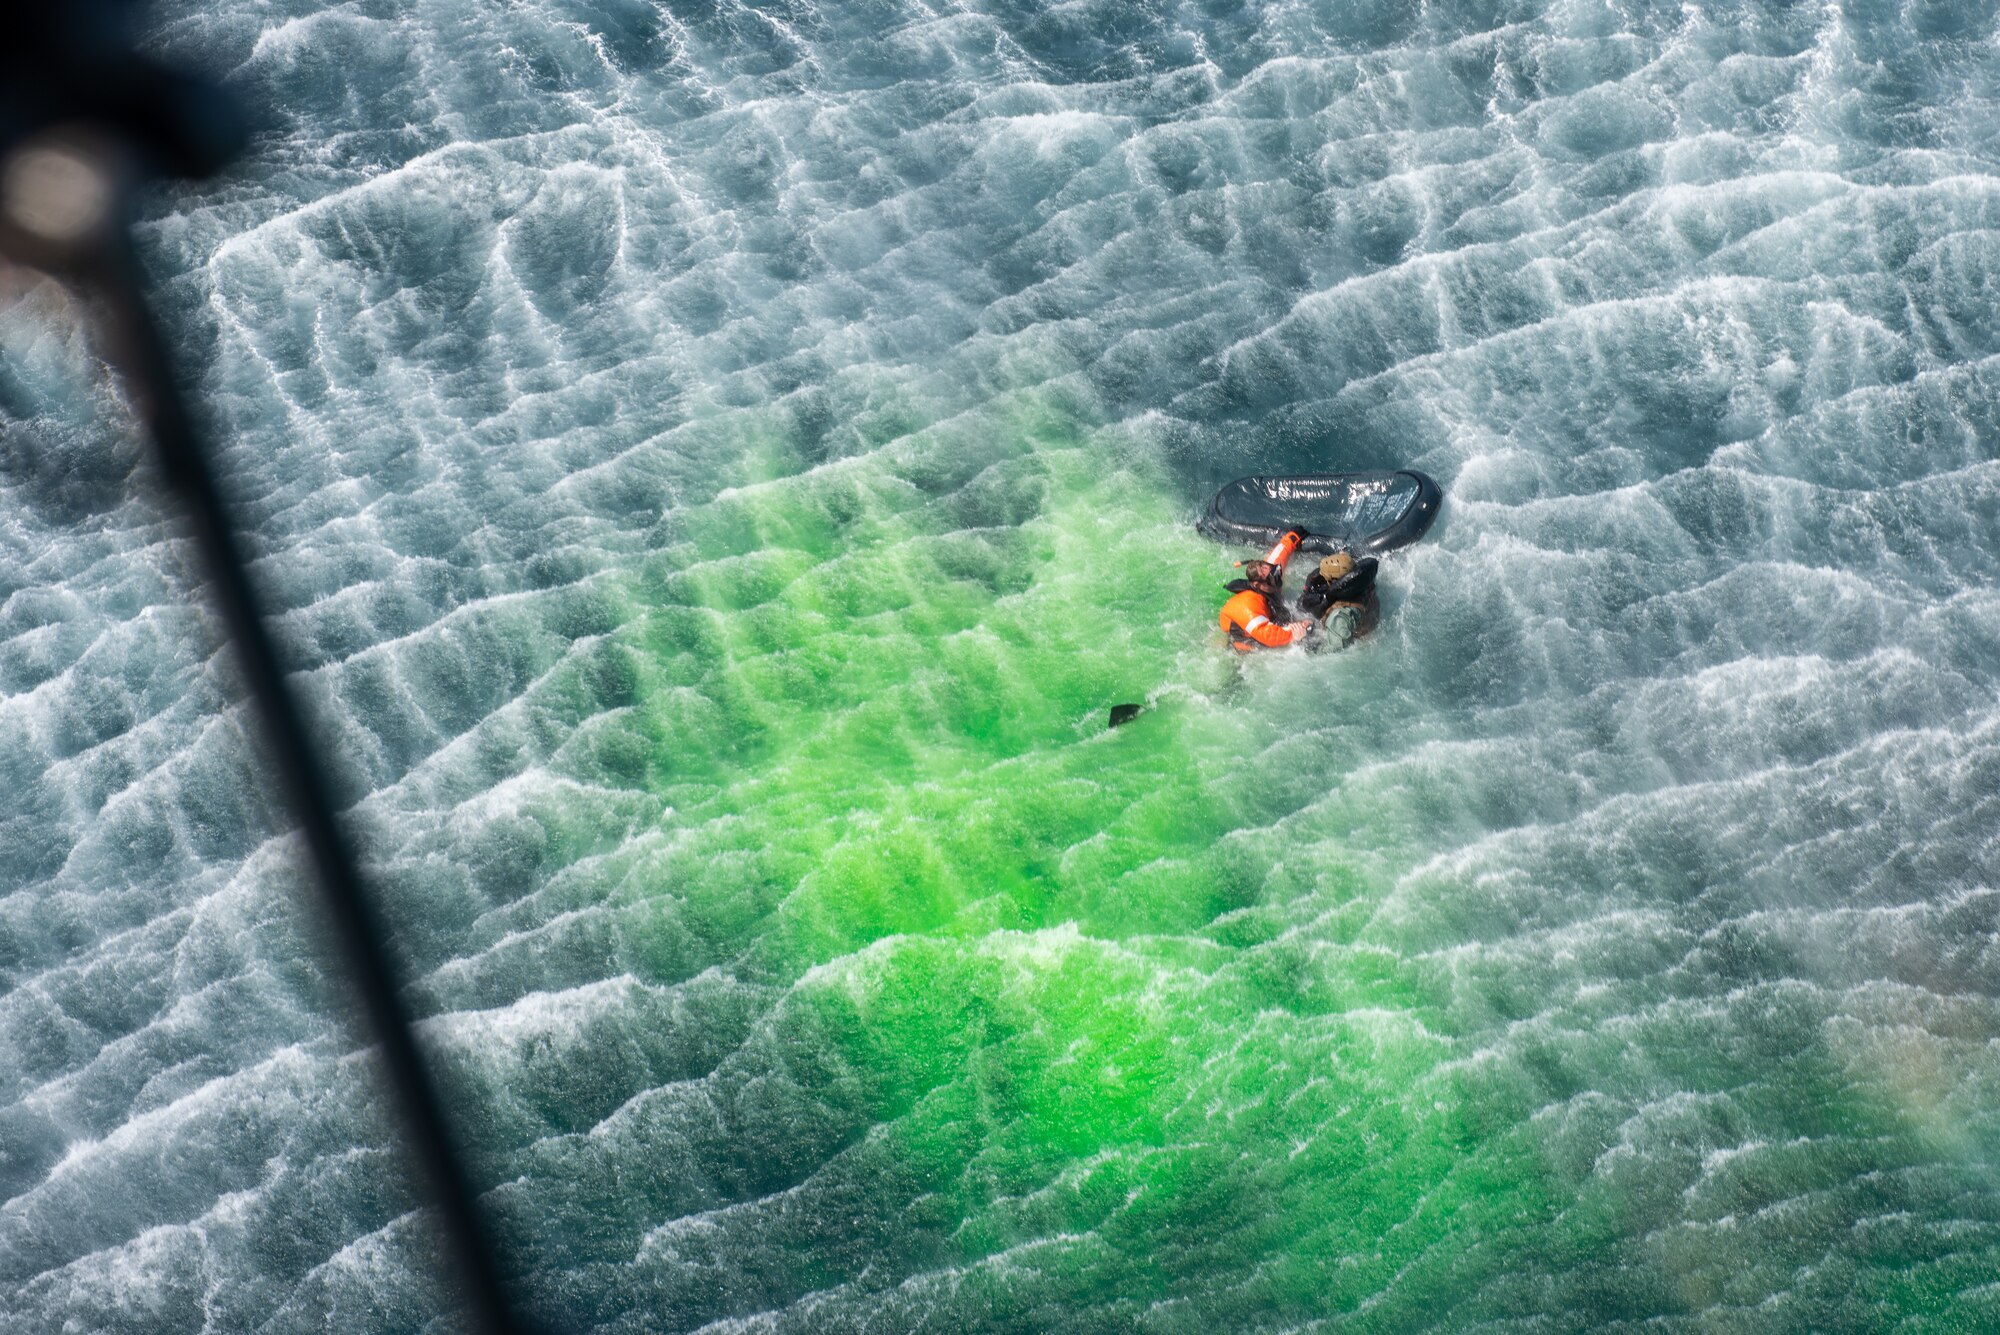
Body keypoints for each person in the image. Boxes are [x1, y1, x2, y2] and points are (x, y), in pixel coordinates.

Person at [1219, 528, 1314, 651]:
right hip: (1246, 648)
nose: (1277, 579)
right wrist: (1298, 629)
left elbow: (1279, 554)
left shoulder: (1269, 577)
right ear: (1258, 585)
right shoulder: (1246, 606)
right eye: (1272, 578)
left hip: (1265, 625)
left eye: (1276, 572)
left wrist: (1292, 537)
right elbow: (1270, 636)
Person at [1297, 550, 1379, 648]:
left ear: (1334, 582)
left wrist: (1302, 640)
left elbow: (1334, 651)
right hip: (1369, 622)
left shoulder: (1340, 616)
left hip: (1360, 641)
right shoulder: (1365, 584)